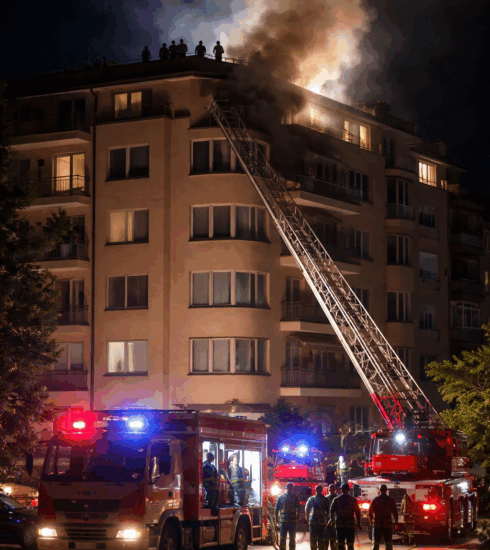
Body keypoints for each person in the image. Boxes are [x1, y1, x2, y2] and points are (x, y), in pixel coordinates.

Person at [329, 483, 361, 550]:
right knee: (350, 545)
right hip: (350, 525)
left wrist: (332, 521)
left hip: (340, 525)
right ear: (349, 490)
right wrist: (358, 523)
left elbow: (331, 511)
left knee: (340, 544)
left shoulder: (336, 500)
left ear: (341, 490)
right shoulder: (353, 500)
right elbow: (358, 512)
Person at [368, 484, 398, 550]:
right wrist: (396, 523)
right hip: (387, 525)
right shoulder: (390, 500)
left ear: (379, 490)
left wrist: (371, 520)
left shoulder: (375, 500)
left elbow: (370, 512)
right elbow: (395, 512)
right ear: (386, 490)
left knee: (376, 544)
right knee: (388, 544)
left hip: (377, 524)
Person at [275, 482, 300, 550]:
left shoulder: (281, 497)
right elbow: (299, 508)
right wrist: (298, 517)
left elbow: (276, 508)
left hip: (284, 521)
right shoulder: (295, 497)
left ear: (286, 488)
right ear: (292, 489)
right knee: (291, 538)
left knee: (283, 538)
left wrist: (276, 519)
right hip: (292, 521)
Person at [305, 485, 330, 550]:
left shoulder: (311, 499)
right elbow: (328, 511)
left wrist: (308, 520)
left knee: (313, 539)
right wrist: (327, 520)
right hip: (322, 521)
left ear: (315, 490)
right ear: (322, 490)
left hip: (313, 521)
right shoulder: (325, 499)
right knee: (321, 539)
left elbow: (307, 510)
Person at [325, 485, 338, 550]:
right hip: (335, 520)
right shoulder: (338, 498)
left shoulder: (325, 498)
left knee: (326, 537)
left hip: (327, 519)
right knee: (334, 537)